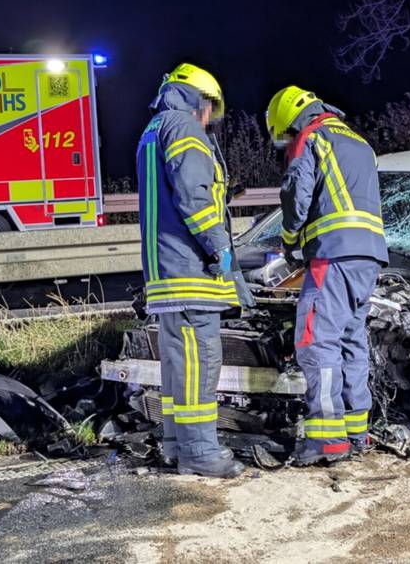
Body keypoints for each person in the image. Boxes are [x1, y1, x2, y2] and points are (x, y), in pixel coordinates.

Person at [265, 85, 388, 466]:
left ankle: (327, 438)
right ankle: (356, 431)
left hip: (333, 254)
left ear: (288, 121)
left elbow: (296, 195)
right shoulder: (359, 143)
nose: (286, 143)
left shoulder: (311, 137)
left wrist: (289, 241)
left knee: (316, 342)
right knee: (351, 342)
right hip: (369, 257)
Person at [136, 63, 245, 478]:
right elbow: (194, 196)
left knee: (177, 366)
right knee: (200, 362)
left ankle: (174, 445)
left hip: (165, 272)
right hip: (189, 270)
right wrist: (220, 247)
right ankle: (199, 451)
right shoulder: (184, 128)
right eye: (210, 108)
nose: (210, 117)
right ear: (198, 99)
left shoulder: (153, 130)